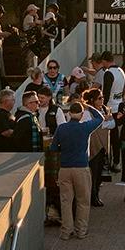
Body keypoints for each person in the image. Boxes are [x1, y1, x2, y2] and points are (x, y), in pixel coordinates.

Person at [50, 100, 96, 240]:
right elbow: (100, 118)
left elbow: (53, 148)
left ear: (69, 114)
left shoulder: (62, 128)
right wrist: (90, 106)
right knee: (83, 200)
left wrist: (62, 149)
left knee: (66, 201)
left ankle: (66, 230)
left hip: (65, 168)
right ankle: (81, 230)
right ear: (82, 115)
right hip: (81, 167)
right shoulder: (85, 127)